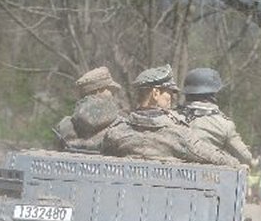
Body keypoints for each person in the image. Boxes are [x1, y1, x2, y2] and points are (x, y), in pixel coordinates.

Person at [102, 64, 239, 166]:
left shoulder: (116, 133)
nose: (171, 98)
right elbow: (216, 157)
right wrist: (236, 163)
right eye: (169, 92)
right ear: (155, 93)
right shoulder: (178, 135)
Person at [179, 68, 255, 166]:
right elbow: (245, 158)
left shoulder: (170, 117)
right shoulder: (224, 125)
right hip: (208, 175)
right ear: (213, 95)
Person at [54, 66, 122, 152]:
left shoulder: (65, 126)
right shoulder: (119, 125)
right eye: (109, 89)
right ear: (99, 90)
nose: (112, 94)